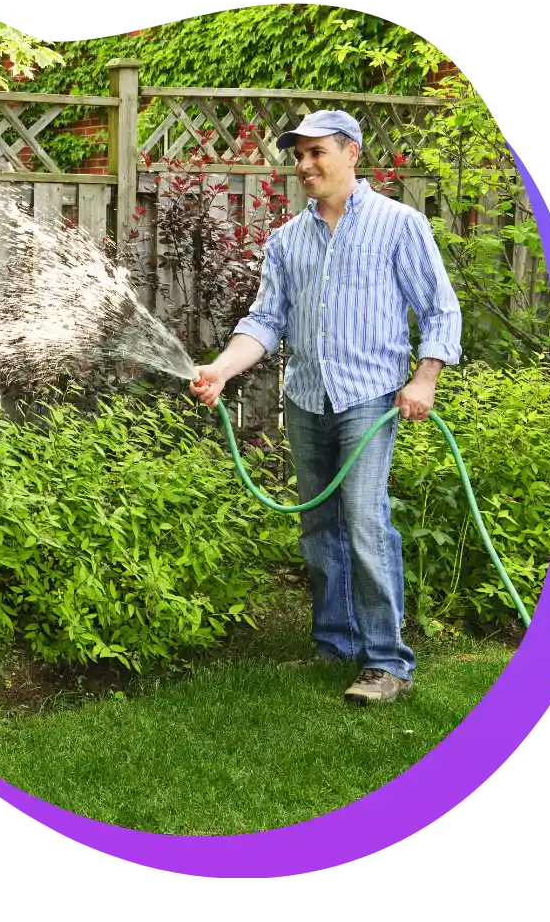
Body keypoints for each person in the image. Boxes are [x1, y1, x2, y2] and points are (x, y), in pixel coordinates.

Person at [191, 109, 462, 705]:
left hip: (369, 397)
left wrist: (425, 379)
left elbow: (439, 309)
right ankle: (334, 643)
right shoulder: (288, 239)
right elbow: (265, 322)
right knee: (319, 526)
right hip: (307, 398)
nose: (305, 165)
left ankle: (386, 662)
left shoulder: (398, 225)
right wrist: (222, 369)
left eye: (317, 152)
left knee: (364, 520)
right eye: (299, 155)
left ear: (352, 153)